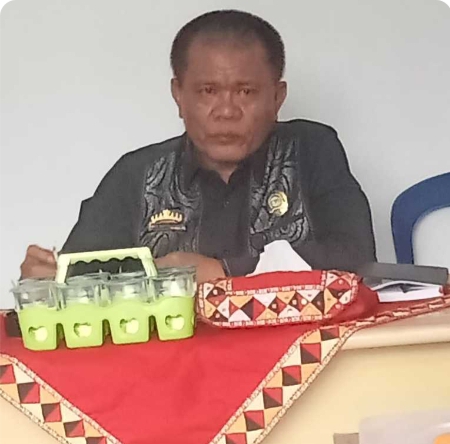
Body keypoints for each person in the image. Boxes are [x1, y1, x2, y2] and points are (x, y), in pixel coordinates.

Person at [20, 9, 376, 283]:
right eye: (208, 91)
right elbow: (82, 280)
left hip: (300, 352)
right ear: (179, 95)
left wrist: (225, 270)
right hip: (168, 356)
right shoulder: (137, 174)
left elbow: (358, 259)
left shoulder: (310, 151)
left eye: (246, 92)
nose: (226, 111)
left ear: (277, 98)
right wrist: (49, 282)